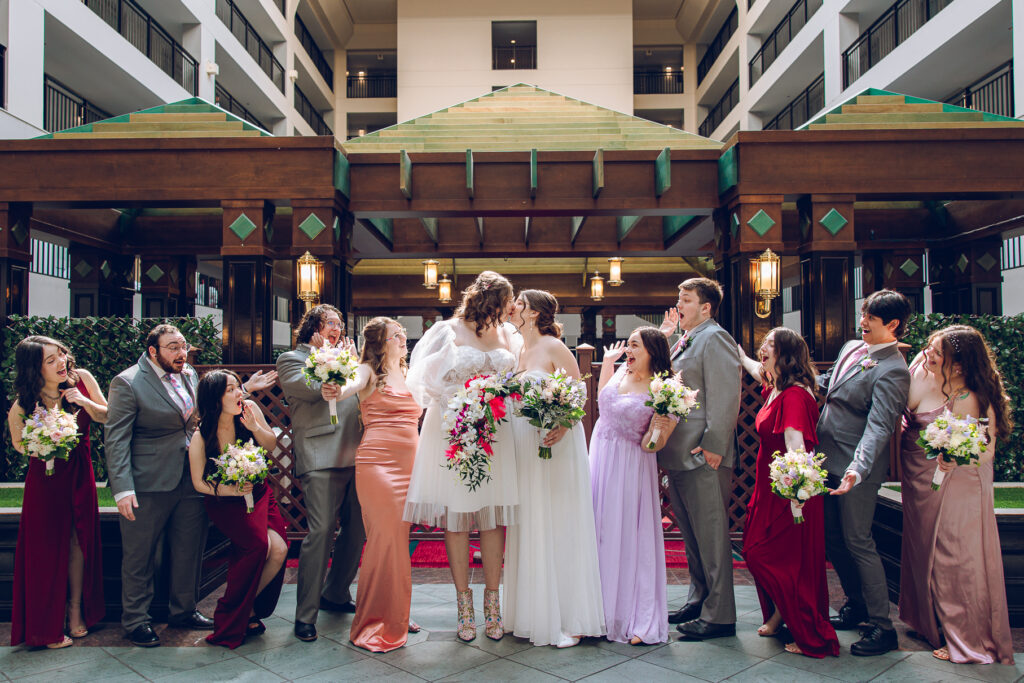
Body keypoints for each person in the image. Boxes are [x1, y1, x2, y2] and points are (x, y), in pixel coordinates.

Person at [105, 323, 276, 647]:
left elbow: (210, 410)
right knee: (139, 555)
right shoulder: (126, 383)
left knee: (189, 550)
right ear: (153, 351)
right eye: (173, 347)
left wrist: (246, 390)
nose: (181, 353)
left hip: (192, 479)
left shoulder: (188, 377)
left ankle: (183, 610)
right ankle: (135, 620)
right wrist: (123, 488)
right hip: (149, 481)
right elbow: (116, 439)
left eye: (183, 346)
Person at [403, 271, 520, 642]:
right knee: (457, 518)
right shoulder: (447, 330)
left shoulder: (508, 334)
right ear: (494, 301)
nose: (511, 308)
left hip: (495, 430)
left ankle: (493, 604)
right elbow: (421, 381)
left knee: (491, 518)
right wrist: (458, 404)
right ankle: (463, 606)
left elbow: (516, 376)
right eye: (507, 302)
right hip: (453, 428)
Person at [898, 325, 1013, 664]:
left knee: (957, 559)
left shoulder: (973, 397)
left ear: (959, 365)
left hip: (963, 487)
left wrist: (955, 456)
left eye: (936, 353)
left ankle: (968, 638)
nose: (927, 355)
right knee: (938, 555)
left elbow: (986, 451)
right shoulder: (949, 387)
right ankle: (939, 625)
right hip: (942, 483)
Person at [503, 290, 605, 648]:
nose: (512, 306)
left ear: (531, 313)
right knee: (533, 521)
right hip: (526, 447)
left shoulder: (553, 346)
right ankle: (532, 613)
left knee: (560, 520)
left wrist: (563, 421)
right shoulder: (519, 350)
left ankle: (571, 618)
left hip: (557, 443)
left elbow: (578, 392)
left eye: (518, 302)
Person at [817, 289, 911, 657]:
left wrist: (857, 468)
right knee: (833, 539)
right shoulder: (852, 348)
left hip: (856, 469)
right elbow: (829, 384)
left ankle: (882, 626)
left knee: (858, 541)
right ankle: (855, 604)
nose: (862, 323)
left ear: (892, 325)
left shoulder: (893, 371)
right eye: (862, 315)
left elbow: (878, 427)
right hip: (826, 460)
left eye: (870, 319)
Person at [738, 328, 839, 658]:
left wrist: (796, 491)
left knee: (769, 555)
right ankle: (783, 613)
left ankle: (803, 625)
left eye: (768, 346)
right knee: (762, 551)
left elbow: (795, 444)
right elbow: (756, 369)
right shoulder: (774, 387)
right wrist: (739, 355)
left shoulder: (795, 395)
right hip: (767, 486)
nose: (762, 349)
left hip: (788, 489)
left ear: (784, 355)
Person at [325, 317, 421, 652]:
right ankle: (374, 621)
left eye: (403, 334)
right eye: (396, 335)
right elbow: (349, 384)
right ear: (380, 342)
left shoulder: (411, 374)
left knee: (400, 537)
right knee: (384, 537)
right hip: (378, 464)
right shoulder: (367, 370)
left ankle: (396, 611)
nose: (403, 339)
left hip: (411, 465)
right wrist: (337, 388)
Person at [8, 336, 107, 649]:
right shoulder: (24, 402)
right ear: (34, 369)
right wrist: (43, 444)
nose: (61, 362)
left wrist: (83, 402)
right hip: (45, 479)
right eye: (50, 360)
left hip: (79, 472)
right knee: (47, 545)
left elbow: (108, 415)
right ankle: (46, 623)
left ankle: (75, 609)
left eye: (62, 354)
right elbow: (18, 443)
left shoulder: (84, 380)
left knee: (79, 538)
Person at [277, 304, 364, 643]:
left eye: (340, 324)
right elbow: (314, 388)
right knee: (322, 531)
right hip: (320, 454)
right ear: (313, 326)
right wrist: (325, 357)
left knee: (356, 530)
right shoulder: (292, 360)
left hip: (357, 453)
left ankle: (335, 593)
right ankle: (305, 615)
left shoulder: (345, 356)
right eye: (330, 323)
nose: (337, 329)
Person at [659, 277, 740, 640]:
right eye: (679, 298)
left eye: (686, 300)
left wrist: (714, 445)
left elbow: (724, 396)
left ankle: (719, 614)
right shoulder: (686, 339)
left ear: (706, 307)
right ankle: (698, 598)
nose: (680, 305)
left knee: (711, 537)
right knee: (692, 537)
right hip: (678, 453)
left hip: (703, 455)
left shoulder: (716, 338)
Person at [188, 370, 288, 649]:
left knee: (279, 549)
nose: (239, 394)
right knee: (257, 546)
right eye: (230, 390)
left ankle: (244, 609)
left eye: (237, 388)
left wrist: (256, 426)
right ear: (215, 398)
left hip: (259, 492)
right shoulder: (202, 435)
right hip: (226, 501)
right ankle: (234, 612)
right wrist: (229, 490)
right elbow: (198, 482)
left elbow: (270, 444)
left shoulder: (250, 409)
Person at [591, 326, 677, 645]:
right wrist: (609, 363)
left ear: (653, 350)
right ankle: (595, 610)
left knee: (628, 533)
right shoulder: (619, 372)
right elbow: (603, 404)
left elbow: (657, 439)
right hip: (600, 457)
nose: (629, 350)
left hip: (632, 464)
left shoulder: (664, 387)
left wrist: (657, 432)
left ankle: (633, 615)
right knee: (600, 530)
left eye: (635, 345)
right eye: (628, 344)